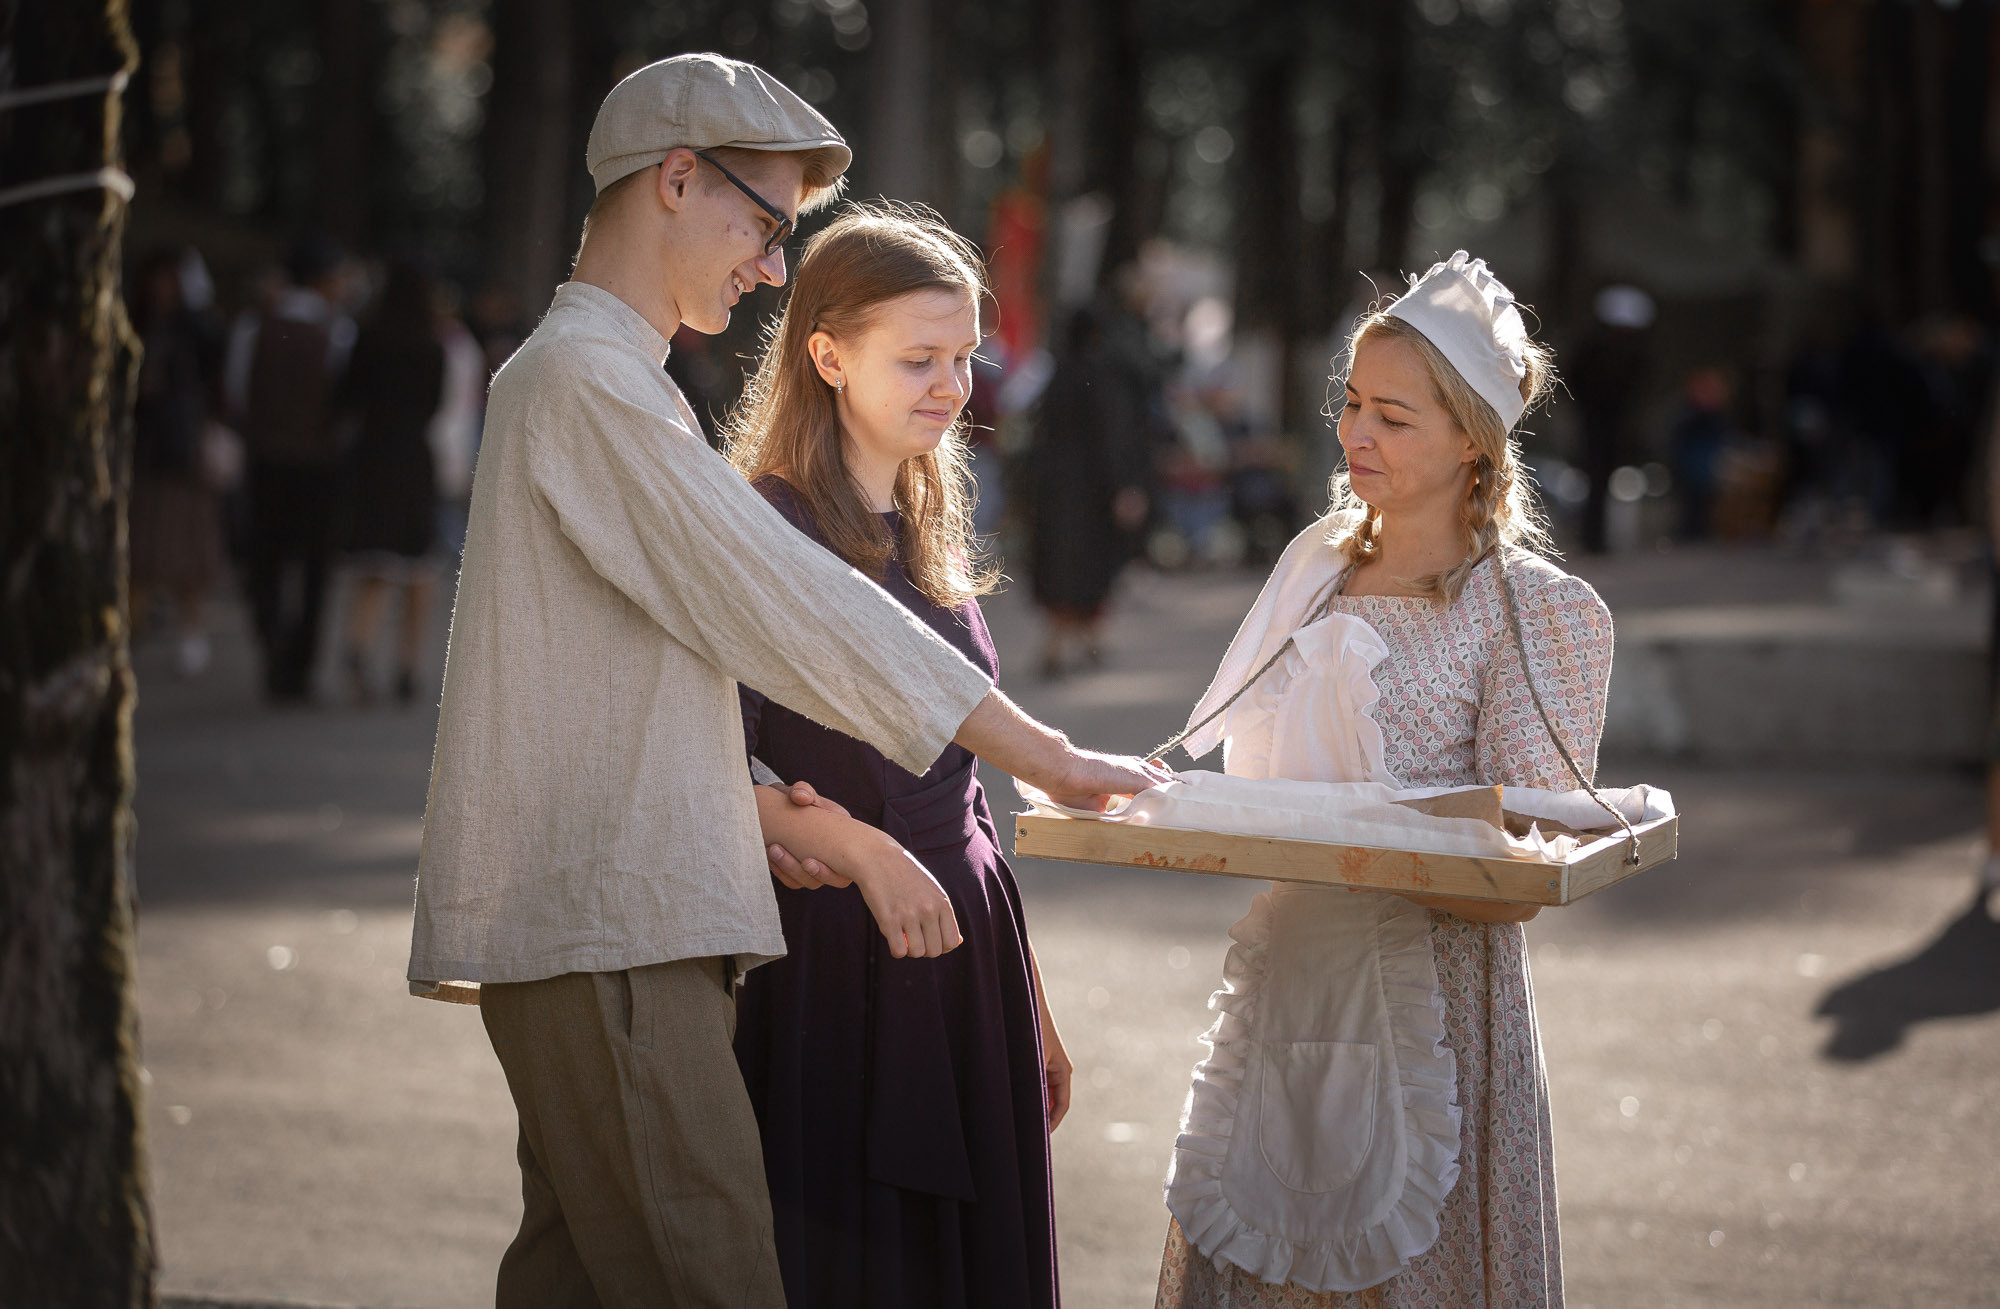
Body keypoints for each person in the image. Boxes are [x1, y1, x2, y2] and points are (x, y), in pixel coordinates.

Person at [404, 54, 1164, 1308]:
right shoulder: (587, 382)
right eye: (763, 225)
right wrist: (1050, 758)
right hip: (618, 922)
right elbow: (788, 601)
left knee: (575, 1280)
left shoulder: (603, 379)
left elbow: (673, 676)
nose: (768, 266)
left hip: (620, 917)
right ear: (677, 178)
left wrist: (790, 816)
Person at [1155, 252, 1611, 1307]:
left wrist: (1388, 839)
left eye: (1393, 417)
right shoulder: (1313, 574)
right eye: (1352, 403)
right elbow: (1248, 775)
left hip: (1435, 1007)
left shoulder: (1531, 611)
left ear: (1471, 439)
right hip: (1296, 973)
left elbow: (1521, 873)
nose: (1356, 432)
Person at [722, 203, 1063, 1307]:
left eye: (965, 357)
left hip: (970, 952)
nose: (952, 386)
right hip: (833, 967)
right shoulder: (760, 529)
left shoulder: (925, 519)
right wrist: (835, 838)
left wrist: (1031, 1001)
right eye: (919, 359)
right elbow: (701, 765)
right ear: (828, 356)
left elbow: (964, 790)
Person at [224, 234, 356, 701]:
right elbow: (344, 400)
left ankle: (272, 646)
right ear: (322, 279)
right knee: (316, 567)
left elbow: (238, 392)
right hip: (320, 463)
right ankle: (301, 666)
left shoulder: (253, 327)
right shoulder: (340, 332)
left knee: (266, 558)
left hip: (265, 459)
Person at [337, 257, 447, 705]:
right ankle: (408, 665)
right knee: (419, 568)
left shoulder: (367, 339)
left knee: (375, 563)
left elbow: (347, 397)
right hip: (413, 459)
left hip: (370, 457)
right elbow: (435, 406)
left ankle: (359, 645)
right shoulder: (432, 347)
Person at [1026, 305, 1152, 676]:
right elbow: (1112, 438)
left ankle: (1066, 643)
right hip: (1092, 494)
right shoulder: (1102, 378)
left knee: (1060, 568)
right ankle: (1076, 643)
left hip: (1053, 491)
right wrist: (1124, 487)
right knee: (1088, 569)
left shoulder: (1053, 376)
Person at [129, 247, 226, 677]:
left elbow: (217, 361)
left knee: (189, 551)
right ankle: (132, 628)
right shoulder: (138, 323)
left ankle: (191, 628)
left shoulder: (194, 328)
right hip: (146, 452)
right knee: (141, 550)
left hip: (184, 451)